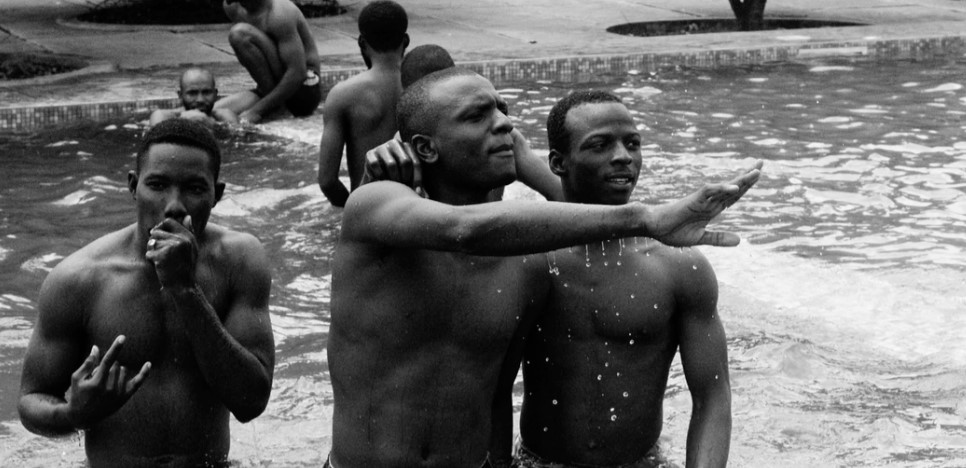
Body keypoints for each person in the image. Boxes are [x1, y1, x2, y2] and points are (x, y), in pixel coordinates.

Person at [327, 67, 761, 467]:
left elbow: (571, 209)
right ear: (425, 146)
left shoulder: (522, 259)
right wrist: (648, 217)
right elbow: (463, 229)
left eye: (504, 111)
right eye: (479, 116)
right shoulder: (375, 203)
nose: (506, 125)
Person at [17, 119, 275, 467]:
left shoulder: (240, 262)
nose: (174, 205)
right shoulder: (79, 278)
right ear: (133, 186)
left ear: (218, 192)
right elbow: (32, 400)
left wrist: (185, 289)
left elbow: (251, 401)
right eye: (157, 185)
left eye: (195, 189)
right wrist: (73, 414)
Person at [500, 90, 735, 468]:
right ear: (559, 163)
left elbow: (713, 396)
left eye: (633, 144)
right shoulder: (528, 261)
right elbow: (492, 390)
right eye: (600, 145)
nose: (623, 156)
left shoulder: (679, 267)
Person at [317, 0, 409, 207]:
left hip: (367, 208)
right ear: (406, 40)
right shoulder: (423, 86)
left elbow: (327, 181)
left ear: (361, 43)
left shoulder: (343, 94)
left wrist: (353, 214)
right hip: (417, 209)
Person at [215, 0, 323, 125]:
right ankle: (274, 105)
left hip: (304, 90)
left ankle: (273, 106)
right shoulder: (233, 7)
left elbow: (298, 73)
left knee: (240, 34)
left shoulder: (280, 13)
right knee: (213, 112)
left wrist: (256, 111)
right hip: (272, 88)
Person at [148, 67, 238, 128]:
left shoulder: (224, 116)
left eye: (206, 92)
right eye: (192, 93)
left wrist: (212, 125)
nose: (200, 100)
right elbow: (156, 138)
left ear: (215, 94)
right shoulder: (163, 116)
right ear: (180, 95)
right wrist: (181, 123)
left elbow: (238, 135)